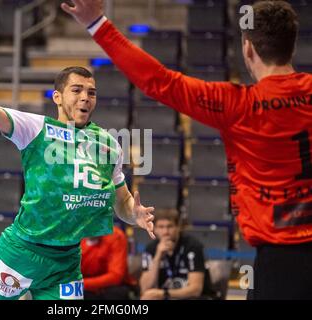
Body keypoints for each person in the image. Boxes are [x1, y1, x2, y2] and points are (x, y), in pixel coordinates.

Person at [62, 0, 312, 299]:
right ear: (292, 47)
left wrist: (97, 23)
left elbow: (158, 82)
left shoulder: (237, 104)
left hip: (280, 260)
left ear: (248, 49)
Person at [0, 64, 155, 300]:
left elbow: (121, 201)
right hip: (22, 252)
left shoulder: (109, 143)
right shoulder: (36, 128)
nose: (85, 97)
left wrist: (134, 215)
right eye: (76, 90)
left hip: (66, 262)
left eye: (91, 92)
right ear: (57, 97)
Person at [140, 209, 215, 300]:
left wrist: (164, 294)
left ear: (178, 227)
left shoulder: (193, 247)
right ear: (154, 229)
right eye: (161, 227)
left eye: (170, 226)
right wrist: (158, 257)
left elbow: (195, 290)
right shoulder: (150, 249)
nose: (165, 232)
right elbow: (145, 288)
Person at [81, 225, 136, 300]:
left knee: (114, 293)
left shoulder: (115, 235)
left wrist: (81, 284)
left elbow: (116, 276)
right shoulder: (75, 237)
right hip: (86, 287)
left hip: (114, 287)